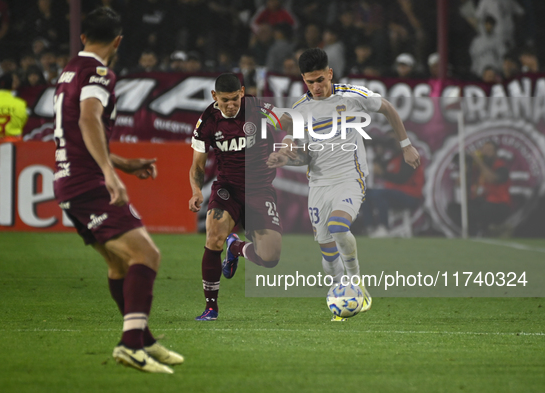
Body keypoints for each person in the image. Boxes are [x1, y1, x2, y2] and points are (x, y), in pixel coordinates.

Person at [52, 7, 182, 373]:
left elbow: (79, 132)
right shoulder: (97, 72)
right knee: (147, 255)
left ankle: (143, 340)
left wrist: (125, 164)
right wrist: (109, 174)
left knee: (118, 262)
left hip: (68, 179)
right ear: (119, 41)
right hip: (87, 181)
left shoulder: (68, 72)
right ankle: (129, 345)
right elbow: (89, 119)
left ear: (82, 37)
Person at [267, 48, 421, 320]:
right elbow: (304, 156)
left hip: (351, 178)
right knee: (327, 252)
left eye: (320, 80)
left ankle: (356, 281)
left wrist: (406, 145)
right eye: (309, 81)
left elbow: (387, 108)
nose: (315, 86)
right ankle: (341, 296)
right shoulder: (300, 111)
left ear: (330, 73)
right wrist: (284, 159)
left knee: (339, 226)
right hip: (319, 185)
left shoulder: (353, 96)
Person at [188, 73, 282, 321]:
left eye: (234, 99)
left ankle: (236, 247)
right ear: (214, 97)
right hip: (227, 189)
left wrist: (291, 140)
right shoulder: (208, 119)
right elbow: (198, 165)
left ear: (242, 92)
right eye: (224, 100)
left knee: (270, 258)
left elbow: (288, 120)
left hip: (260, 188)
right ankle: (211, 307)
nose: (230, 105)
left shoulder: (258, 108)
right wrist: (196, 190)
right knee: (214, 234)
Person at [361, 138, 425, 238]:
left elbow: (402, 178)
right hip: (394, 194)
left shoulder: (410, 157)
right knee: (365, 194)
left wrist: (383, 174)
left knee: (381, 194)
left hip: (410, 195)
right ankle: (369, 227)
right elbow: (381, 167)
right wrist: (379, 154)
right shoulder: (395, 157)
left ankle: (383, 227)